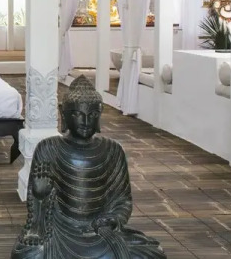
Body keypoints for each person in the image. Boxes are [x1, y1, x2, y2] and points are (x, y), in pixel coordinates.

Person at [11, 76, 166, 259]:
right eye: (77, 114)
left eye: (92, 115)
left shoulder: (113, 150)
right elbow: (36, 208)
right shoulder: (48, 148)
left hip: (98, 231)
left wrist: (114, 219)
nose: (85, 120)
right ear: (63, 114)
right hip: (60, 232)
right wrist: (40, 195)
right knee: (28, 254)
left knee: (153, 253)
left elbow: (122, 200)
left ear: (100, 115)